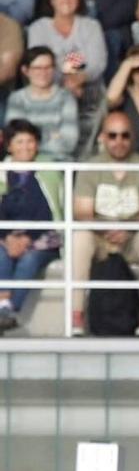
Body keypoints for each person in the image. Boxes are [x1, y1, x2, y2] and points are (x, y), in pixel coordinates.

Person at [69, 114, 139, 338]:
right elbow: (82, 212)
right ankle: (76, 315)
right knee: (79, 236)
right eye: (112, 135)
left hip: (133, 236)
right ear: (103, 137)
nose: (119, 141)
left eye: (124, 135)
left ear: (132, 138)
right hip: (99, 236)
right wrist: (106, 230)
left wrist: (128, 229)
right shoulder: (91, 166)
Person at [0, 118, 61, 334]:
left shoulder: (48, 170)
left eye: (30, 141)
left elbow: (48, 212)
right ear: (9, 146)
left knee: (29, 259)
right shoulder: (3, 172)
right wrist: (8, 237)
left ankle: (8, 310)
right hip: (8, 236)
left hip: (43, 238)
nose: (25, 147)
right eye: (19, 142)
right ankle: (4, 307)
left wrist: (28, 238)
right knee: (1, 254)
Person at [6, 48, 79, 161]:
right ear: (26, 70)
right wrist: (52, 135)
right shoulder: (17, 99)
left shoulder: (66, 98)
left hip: (58, 164)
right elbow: (15, 141)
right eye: (37, 68)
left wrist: (30, 143)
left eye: (48, 67)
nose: (43, 73)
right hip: (24, 163)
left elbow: (68, 143)